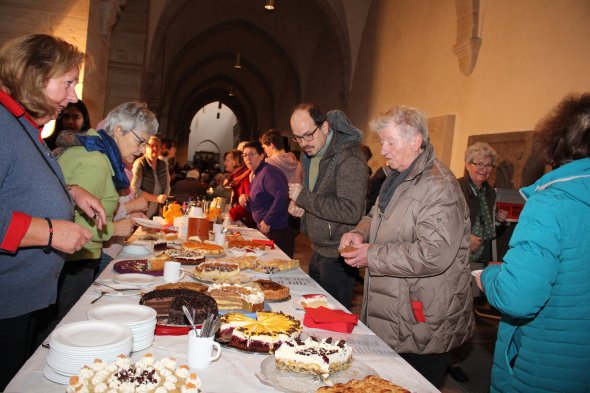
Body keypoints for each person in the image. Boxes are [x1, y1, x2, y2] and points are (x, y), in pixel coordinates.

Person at [339, 105, 474, 388]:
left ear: (416, 141)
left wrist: (372, 255)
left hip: (420, 318)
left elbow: (434, 253)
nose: (383, 150)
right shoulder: (396, 176)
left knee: (414, 384)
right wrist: (359, 233)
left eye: (390, 142)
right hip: (393, 309)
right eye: (382, 141)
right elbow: (376, 215)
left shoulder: (439, 186)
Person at [0, 33, 106, 390]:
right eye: (68, 83)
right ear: (35, 75)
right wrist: (49, 231)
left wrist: (68, 192)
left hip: (24, 301)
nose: (74, 96)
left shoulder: (21, 124)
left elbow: (18, 182)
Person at [475, 93, 590, 393]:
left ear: (556, 144)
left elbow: (519, 298)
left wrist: (487, 276)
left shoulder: (550, 202)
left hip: (545, 367)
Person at [56, 101, 158, 323]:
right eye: (140, 142)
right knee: (65, 325)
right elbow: (72, 223)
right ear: (119, 130)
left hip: (76, 257)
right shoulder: (95, 160)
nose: (142, 150)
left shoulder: (97, 150)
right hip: (74, 260)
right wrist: (115, 228)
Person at [288, 103, 368, 308]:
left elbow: (351, 211)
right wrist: (301, 207)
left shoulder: (349, 158)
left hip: (338, 257)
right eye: (297, 138)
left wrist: (304, 198)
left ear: (324, 127)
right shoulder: (309, 154)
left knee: (332, 324)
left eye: (308, 135)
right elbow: (318, 196)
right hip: (317, 250)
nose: (303, 143)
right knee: (314, 316)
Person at [448, 142, 508, 382]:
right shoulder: (455, 187)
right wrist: (465, 237)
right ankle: (444, 358)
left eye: (488, 165)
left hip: (479, 260)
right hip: (456, 258)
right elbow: (445, 221)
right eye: (478, 164)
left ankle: (454, 359)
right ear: (467, 164)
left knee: (466, 312)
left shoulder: (490, 193)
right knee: (452, 309)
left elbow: (488, 225)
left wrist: (499, 220)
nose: (483, 169)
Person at [239, 141, 294, 257]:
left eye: (251, 154)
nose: (247, 158)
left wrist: (268, 220)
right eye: (244, 155)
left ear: (261, 155)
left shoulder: (269, 172)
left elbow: (282, 195)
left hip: (276, 232)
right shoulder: (256, 174)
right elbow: (259, 205)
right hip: (266, 230)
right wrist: (245, 202)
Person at [131, 136, 170, 218]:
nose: (155, 149)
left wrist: (163, 198)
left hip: (156, 212)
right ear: (145, 148)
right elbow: (134, 189)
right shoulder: (140, 164)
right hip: (140, 211)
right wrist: (156, 199)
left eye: (157, 146)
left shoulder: (163, 165)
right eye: (151, 146)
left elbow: (166, 186)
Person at [224, 149, 256, 228]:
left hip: (249, 222)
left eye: (227, 160)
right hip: (242, 219)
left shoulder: (245, 177)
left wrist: (232, 214)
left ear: (235, 161)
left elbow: (248, 200)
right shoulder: (236, 177)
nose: (225, 163)